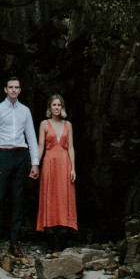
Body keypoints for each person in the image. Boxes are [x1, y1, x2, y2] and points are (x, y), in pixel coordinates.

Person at [0, 75, 39, 258]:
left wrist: (35, 163)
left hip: (21, 155)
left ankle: (14, 242)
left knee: (18, 198)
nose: (14, 90)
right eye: (11, 87)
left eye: (17, 87)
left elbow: (31, 137)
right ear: (5, 90)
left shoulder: (25, 111)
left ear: (20, 90)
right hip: (3, 155)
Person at [36, 93, 77, 241]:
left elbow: (71, 147)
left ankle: (64, 230)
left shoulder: (68, 125)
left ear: (62, 107)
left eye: (59, 105)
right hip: (49, 163)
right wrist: (35, 164)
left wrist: (73, 169)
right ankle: (50, 231)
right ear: (49, 107)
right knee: (50, 194)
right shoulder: (44, 124)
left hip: (64, 163)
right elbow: (40, 146)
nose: (56, 107)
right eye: (54, 105)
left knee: (64, 195)